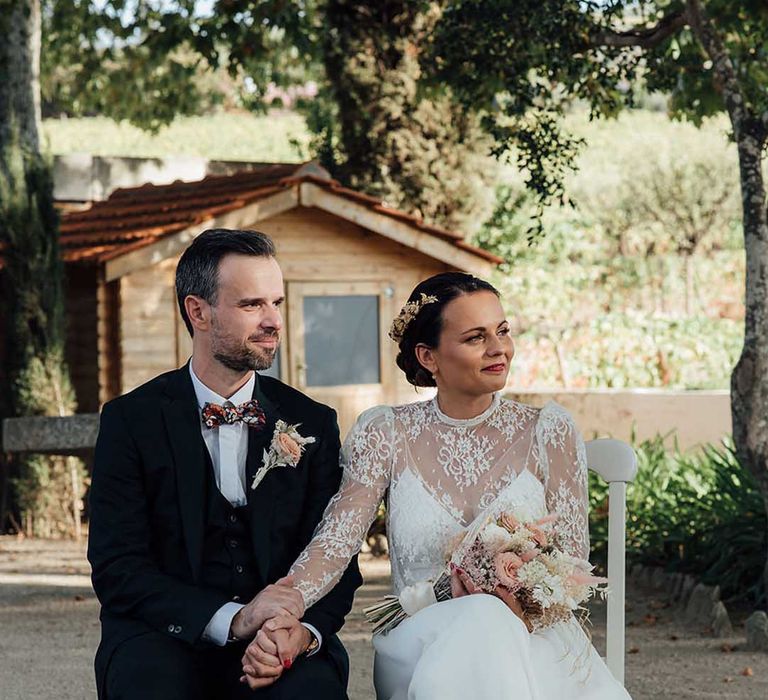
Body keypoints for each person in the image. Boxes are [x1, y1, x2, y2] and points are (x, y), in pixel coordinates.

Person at [243, 271, 631, 699]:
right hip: (419, 639)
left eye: (502, 330)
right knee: (483, 618)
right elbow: (337, 542)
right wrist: (288, 603)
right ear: (428, 357)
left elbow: (573, 564)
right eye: (475, 338)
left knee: (489, 621)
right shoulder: (385, 432)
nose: (498, 347)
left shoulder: (549, 430)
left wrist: (518, 596)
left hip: (537, 639)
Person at [87, 228, 362, 699]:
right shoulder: (131, 420)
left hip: (281, 635)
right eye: (252, 304)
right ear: (199, 312)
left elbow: (337, 556)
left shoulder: (312, 421)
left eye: (277, 302)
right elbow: (118, 566)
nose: (275, 320)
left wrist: (298, 632)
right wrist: (234, 619)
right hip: (164, 634)